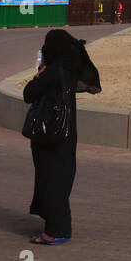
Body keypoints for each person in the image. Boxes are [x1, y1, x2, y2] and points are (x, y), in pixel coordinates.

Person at [22, 29, 101, 246]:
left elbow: (29, 94)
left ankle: (56, 230)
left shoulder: (53, 71)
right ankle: (59, 225)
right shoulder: (69, 70)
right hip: (66, 134)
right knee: (59, 178)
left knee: (50, 179)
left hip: (50, 135)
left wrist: (39, 73)